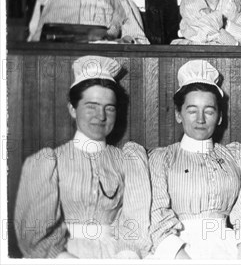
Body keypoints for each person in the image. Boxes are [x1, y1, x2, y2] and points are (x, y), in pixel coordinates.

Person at [15, 56, 152, 258]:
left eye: (109, 108)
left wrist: (127, 256)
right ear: (72, 109)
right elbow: (33, 234)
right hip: (62, 255)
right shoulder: (48, 162)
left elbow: (135, 222)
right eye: (91, 106)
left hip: (115, 255)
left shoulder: (128, 160)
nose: (101, 116)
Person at [149, 60, 241, 259]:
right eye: (192, 110)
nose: (200, 119)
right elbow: (156, 215)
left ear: (220, 117)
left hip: (233, 248)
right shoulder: (162, 159)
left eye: (209, 111)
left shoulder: (237, 156)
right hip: (178, 251)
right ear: (179, 115)